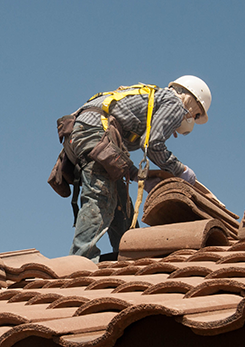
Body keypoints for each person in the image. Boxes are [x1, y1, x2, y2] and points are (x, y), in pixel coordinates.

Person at [59, 75, 212, 262]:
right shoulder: (175, 103)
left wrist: (141, 177)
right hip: (95, 134)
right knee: (101, 197)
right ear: (195, 99)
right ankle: (80, 261)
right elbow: (153, 143)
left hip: (85, 134)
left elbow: (114, 151)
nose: (191, 117)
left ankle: (130, 256)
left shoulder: (152, 97)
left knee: (121, 205)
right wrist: (180, 170)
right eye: (196, 115)